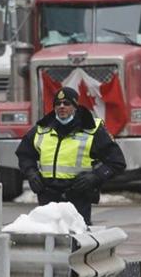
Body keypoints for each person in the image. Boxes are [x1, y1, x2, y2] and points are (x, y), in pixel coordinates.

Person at [15, 87, 126, 225]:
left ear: (75, 107)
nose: (61, 107)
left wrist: (95, 177)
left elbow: (117, 162)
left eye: (66, 103)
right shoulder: (42, 129)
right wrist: (31, 173)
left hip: (77, 197)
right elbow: (24, 154)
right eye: (58, 104)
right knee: (48, 236)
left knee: (77, 236)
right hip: (48, 197)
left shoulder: (92, 130)